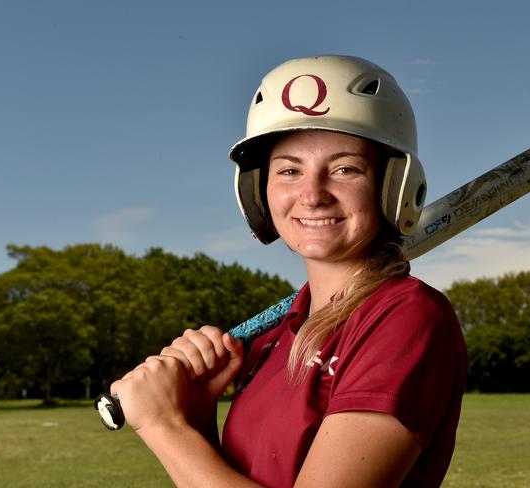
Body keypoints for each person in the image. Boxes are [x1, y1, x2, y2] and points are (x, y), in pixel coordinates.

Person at [111, 55, 467, 487]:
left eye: (344, 169)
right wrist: (198, 415)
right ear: (259, 191)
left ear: (393, 186)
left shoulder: (406, 318)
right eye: (289, 170)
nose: (312, 195)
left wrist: (162, 427)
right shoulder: (274, 338)